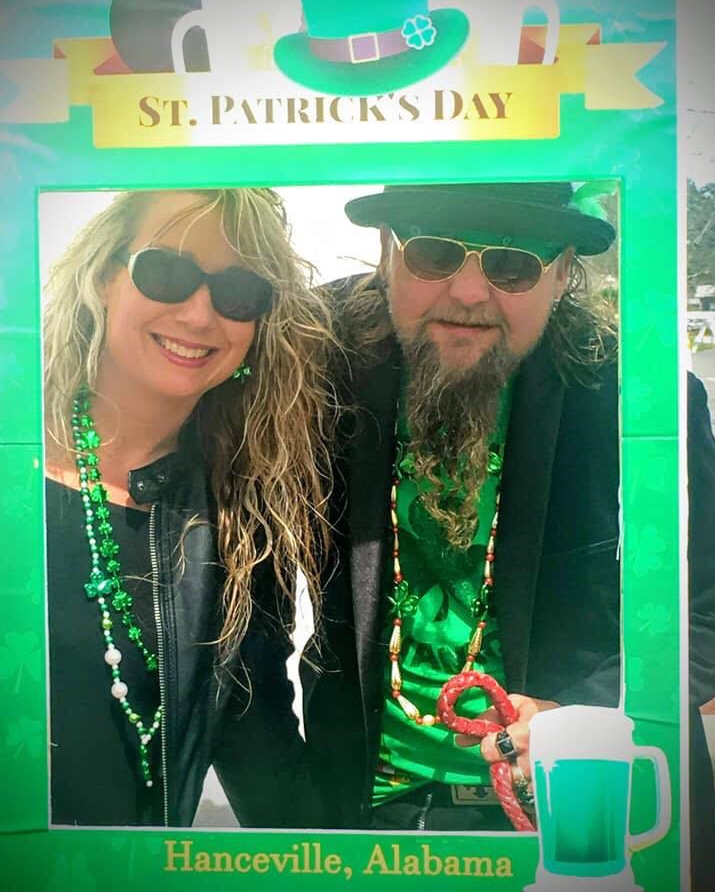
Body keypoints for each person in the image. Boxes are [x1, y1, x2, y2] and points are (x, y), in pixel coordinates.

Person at [301, 182, 715, 886]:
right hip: (365, 811)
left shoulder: (636, 399)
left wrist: (586, 717)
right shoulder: (320, 368)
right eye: (433, 254)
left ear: (561, 273)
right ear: (387, 252)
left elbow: (700, 613)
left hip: (581, 811)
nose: (467, 292)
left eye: (512, 265)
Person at [43, 187, 336, 827]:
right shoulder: (13, 465)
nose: (200, 315)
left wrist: (345, 865)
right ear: (104, 278)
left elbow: (262, 747)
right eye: (167, 272)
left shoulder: (238, 525)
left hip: (130, 871)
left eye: (238, 293)